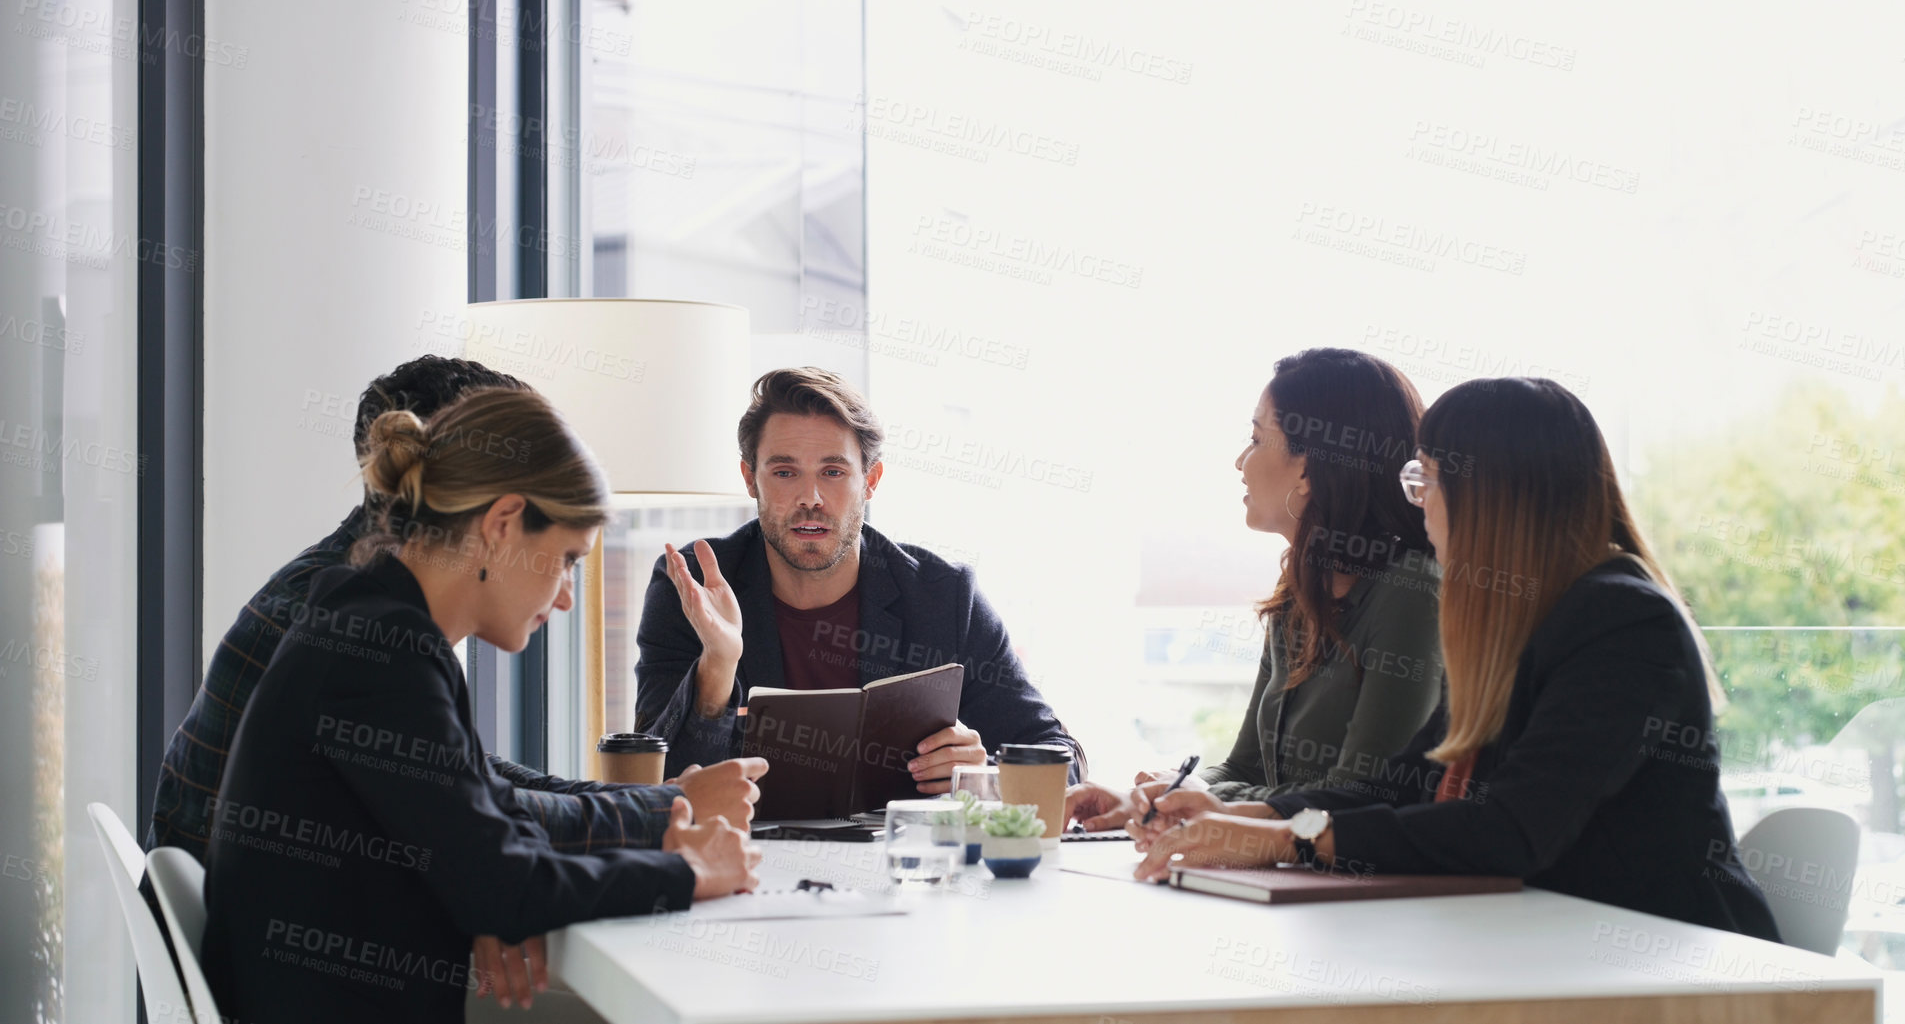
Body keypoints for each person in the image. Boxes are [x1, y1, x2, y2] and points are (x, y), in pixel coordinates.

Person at [1127, 377, 1780, 940]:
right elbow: (1403, 782)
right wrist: (1248, 815)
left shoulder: (1622, 622)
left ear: (1492, 497)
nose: (1419, 505)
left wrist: (1291, 839)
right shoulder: (1524, 622)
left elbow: (1510, 829)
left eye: (1425, 480)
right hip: (1551, 944)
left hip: (1676, 967)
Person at [202, 387, 762, 1024]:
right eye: (568, 560)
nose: (566, 598)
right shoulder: (384, 651)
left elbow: (485, 818)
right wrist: (690, 870)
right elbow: (500, 884)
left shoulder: (368, 616)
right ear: (502, 525)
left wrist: (497, 880)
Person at [147, 356, 764, 867]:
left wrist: (650, 802)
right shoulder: (356, 628)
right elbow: (473, 815)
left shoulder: (356, 595)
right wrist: (663, 818)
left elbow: (465, 783)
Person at [635, 367, 1083, 793]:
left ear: (871, 481)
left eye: (833, 472)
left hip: (900, 864)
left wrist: (982, 774)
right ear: (750, 479)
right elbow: (652, 782)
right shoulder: (693, 587)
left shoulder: (944, 598)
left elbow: (1062, 760)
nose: (810, 498)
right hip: (743, 860)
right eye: (785, 472)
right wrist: (716, 667)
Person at [1066, 349, 1441, 830]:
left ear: (1307, 469)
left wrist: (1210, 802)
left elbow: (1362, 798)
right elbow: (1243, 769)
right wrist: (1145, 799)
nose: (1240, 461)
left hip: (1361, 891)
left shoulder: (1411, 592)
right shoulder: (1298, 593)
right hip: (1290, 879)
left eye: (1257, 438)